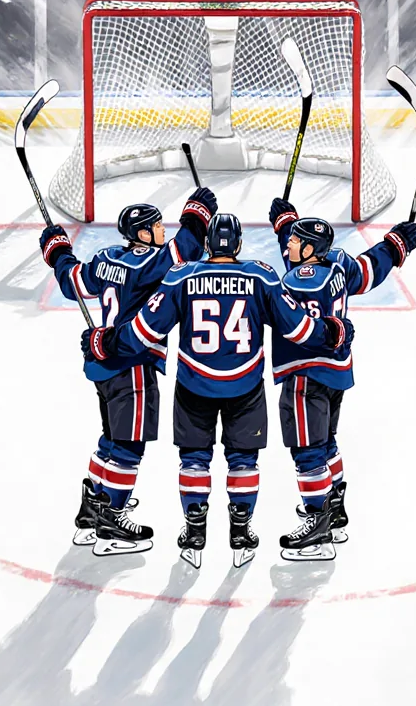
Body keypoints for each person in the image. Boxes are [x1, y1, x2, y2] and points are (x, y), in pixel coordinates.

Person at [80, 212, 354, 569]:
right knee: (244, 459)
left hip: (194, 384)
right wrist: (333, 334)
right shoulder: (261, 275)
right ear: (239, 244)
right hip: (245, 386)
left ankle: (194, 530)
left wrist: (108, 342)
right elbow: (298, 329)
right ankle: (241, 531)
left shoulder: (181, 275)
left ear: (207, 244)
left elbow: (145, 329)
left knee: (194, 459)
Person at [39, 187, 217, 556]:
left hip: (104, 368)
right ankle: (112, 519)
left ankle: (95, 506)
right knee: (127, 445)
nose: (162, 232)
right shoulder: (144, 263)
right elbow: (182, 251)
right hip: (132, 364)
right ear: (142, 233)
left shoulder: (106, 258)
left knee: (110, 438)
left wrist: (57, 251)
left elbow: (74, 282)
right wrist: (197, 214)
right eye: (156, 227)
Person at [266, 197, 416, 560]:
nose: (288, 245)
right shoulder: (338, 265)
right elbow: (370, 270)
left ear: (308, 250)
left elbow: (289, 279)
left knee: (307, 450)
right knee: (327, 442)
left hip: (306, 374)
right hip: (337, 372)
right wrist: (395, 245)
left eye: (294, 241)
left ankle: (318, 526)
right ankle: (334, 508)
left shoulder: (295, 280)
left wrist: (285, 226)